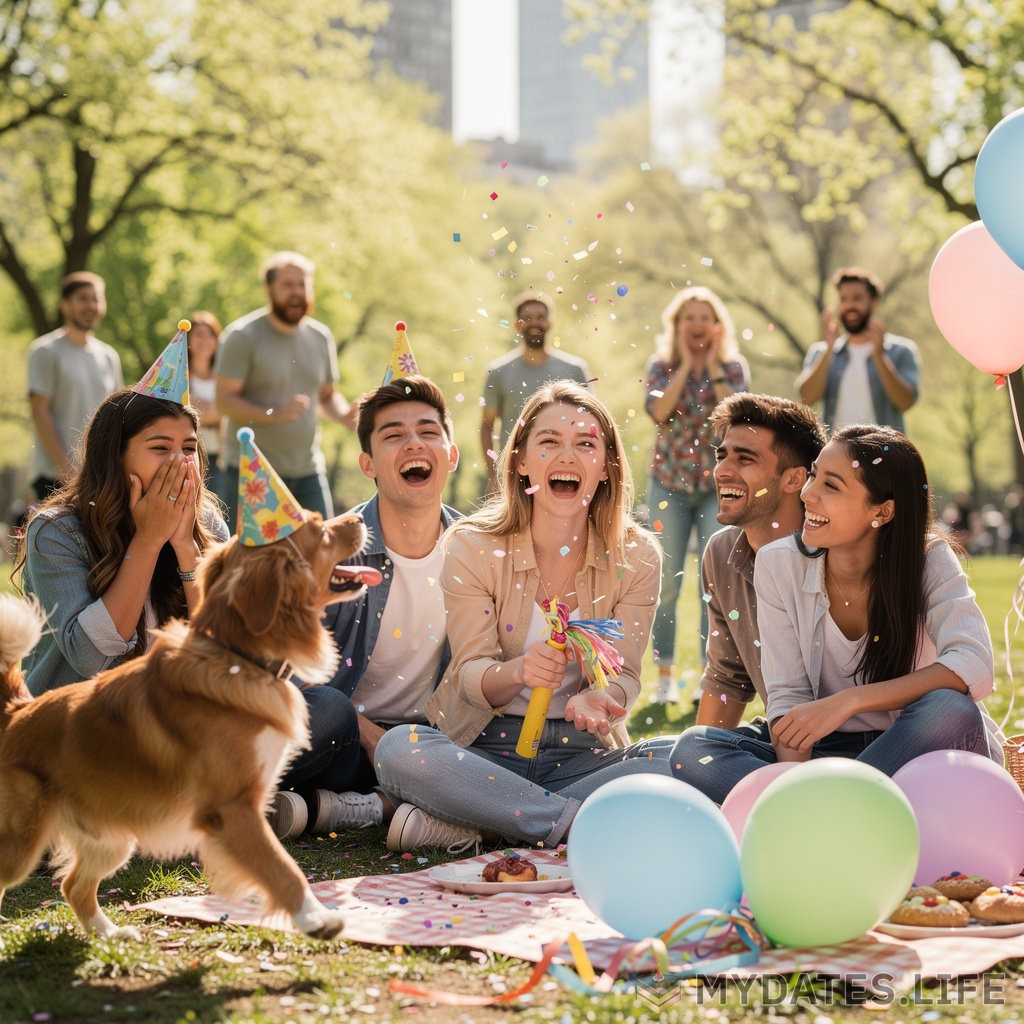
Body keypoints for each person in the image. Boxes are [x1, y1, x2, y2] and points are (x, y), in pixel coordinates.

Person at [373, 380, 674, 854]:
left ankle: (490, 822)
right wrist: (518, 671)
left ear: (607, 467)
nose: (567, 457)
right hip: (482, 750)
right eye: (549, 442)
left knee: (684, 756)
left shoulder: (637, 555)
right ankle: (570, 821)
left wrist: (603, 697)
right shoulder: (473, 546)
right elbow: (470, 672)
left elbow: (628, 675)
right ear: (519, 460)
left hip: (584, 755)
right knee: (398, 749)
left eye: (586, 445)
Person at [675, 425, 1002, 806]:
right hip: (822, 754)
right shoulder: (778, 563)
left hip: (910, 747)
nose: (807, 494)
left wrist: (849, 701)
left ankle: (824, 808)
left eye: (830, 486)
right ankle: (835, 806)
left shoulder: (928, 560)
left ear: (882, 510)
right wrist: (796, 777)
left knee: (949, 709)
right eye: (813, 475)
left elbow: (973, 664)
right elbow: (788, 696)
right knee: (694, 749)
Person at [268, 376, 461, 839]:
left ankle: (348, 808)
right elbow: (284, 670)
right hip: (346, 741)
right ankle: (389, 801)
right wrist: (379, 742)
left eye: (429, 431)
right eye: (394, 434)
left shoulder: (477, 552)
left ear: (451, 454)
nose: (414, 443)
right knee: (325, 709)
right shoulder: (329, 548)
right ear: (368, 464)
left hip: (433, 742)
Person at [17, 387, 229, 696]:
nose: (180, 462)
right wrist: (148, 540)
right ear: (115, 456)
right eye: (160, 447)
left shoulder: (206, 520)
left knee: (322, 702)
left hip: (176, 710)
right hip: (87, 723)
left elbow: (226, 647)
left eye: (189, 448)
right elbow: (90, 659)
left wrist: (187, 548)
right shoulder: (57, 531)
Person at [683, 393, 827, 734]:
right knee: (676, 751)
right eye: (722, 456)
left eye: (744, 459)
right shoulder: (721, 555)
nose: (722, 470)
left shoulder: (835, 552)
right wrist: (701, 757)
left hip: (855, 741)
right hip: (783, 736)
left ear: (795, 479)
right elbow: (727, 679)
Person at [644, 286, 749, 704]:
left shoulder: (734, 368)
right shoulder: (661, 366)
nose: (698, 324)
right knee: (667, 583)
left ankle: (712, 677)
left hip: (716, 489)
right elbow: (658, 412)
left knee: (714, 584)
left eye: (706, 317)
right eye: (690, 317)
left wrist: (715, 369)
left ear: (717, 326)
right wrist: (687, 367)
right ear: (677, 326)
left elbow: (736, 418)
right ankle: (665, 676)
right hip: (668, 483)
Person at [215, 251, 355, 528]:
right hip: (251, 471)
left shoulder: (320, 337)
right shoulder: (242, 336)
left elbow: (326, 397)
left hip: (308, 470)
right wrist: (273, 412)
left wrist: (346, 416)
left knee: (322, 556)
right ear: (268, 290)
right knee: (249, 564)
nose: (296, 292)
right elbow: (223, 402)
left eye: (302, 285)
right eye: (287, 285)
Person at [480, 290, 589, 496]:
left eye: (540, 317)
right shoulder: (498, 372)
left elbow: (592, 424)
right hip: (513, 474)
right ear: (517, 324)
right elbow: (487, 426)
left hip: (565, 472)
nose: (534, 323)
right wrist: (493, 475)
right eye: (527, 318)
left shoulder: (575, 370)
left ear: (550, 323)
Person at [27, 271, 123, 502]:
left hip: (99, 475)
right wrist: (64, 466)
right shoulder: (46, 351)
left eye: (96, 299)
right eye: (83, 298)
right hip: (54, 476)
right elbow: (39, 410)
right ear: (65, 305)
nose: (91, 305)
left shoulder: (109, 356)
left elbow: (116, 414)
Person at [796, 267, 920, 433]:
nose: (849, 306)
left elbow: (905, 402)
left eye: (857, 298)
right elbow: (806, 398)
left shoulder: (901, 352)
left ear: (874, 303)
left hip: (885, 455)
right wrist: (829, 349)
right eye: (844, 299)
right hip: (834, 456)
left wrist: (879, 356)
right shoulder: (821, 352)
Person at [186, 311, 225, 502]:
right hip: (189, 455)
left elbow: (229, 410)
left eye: (211, 334)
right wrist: (217, 409)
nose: (205, 340)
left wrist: (199, 406)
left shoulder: (225, 376)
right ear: (188, 339)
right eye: (199, 334)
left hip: (222, 457)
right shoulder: (179, 375)